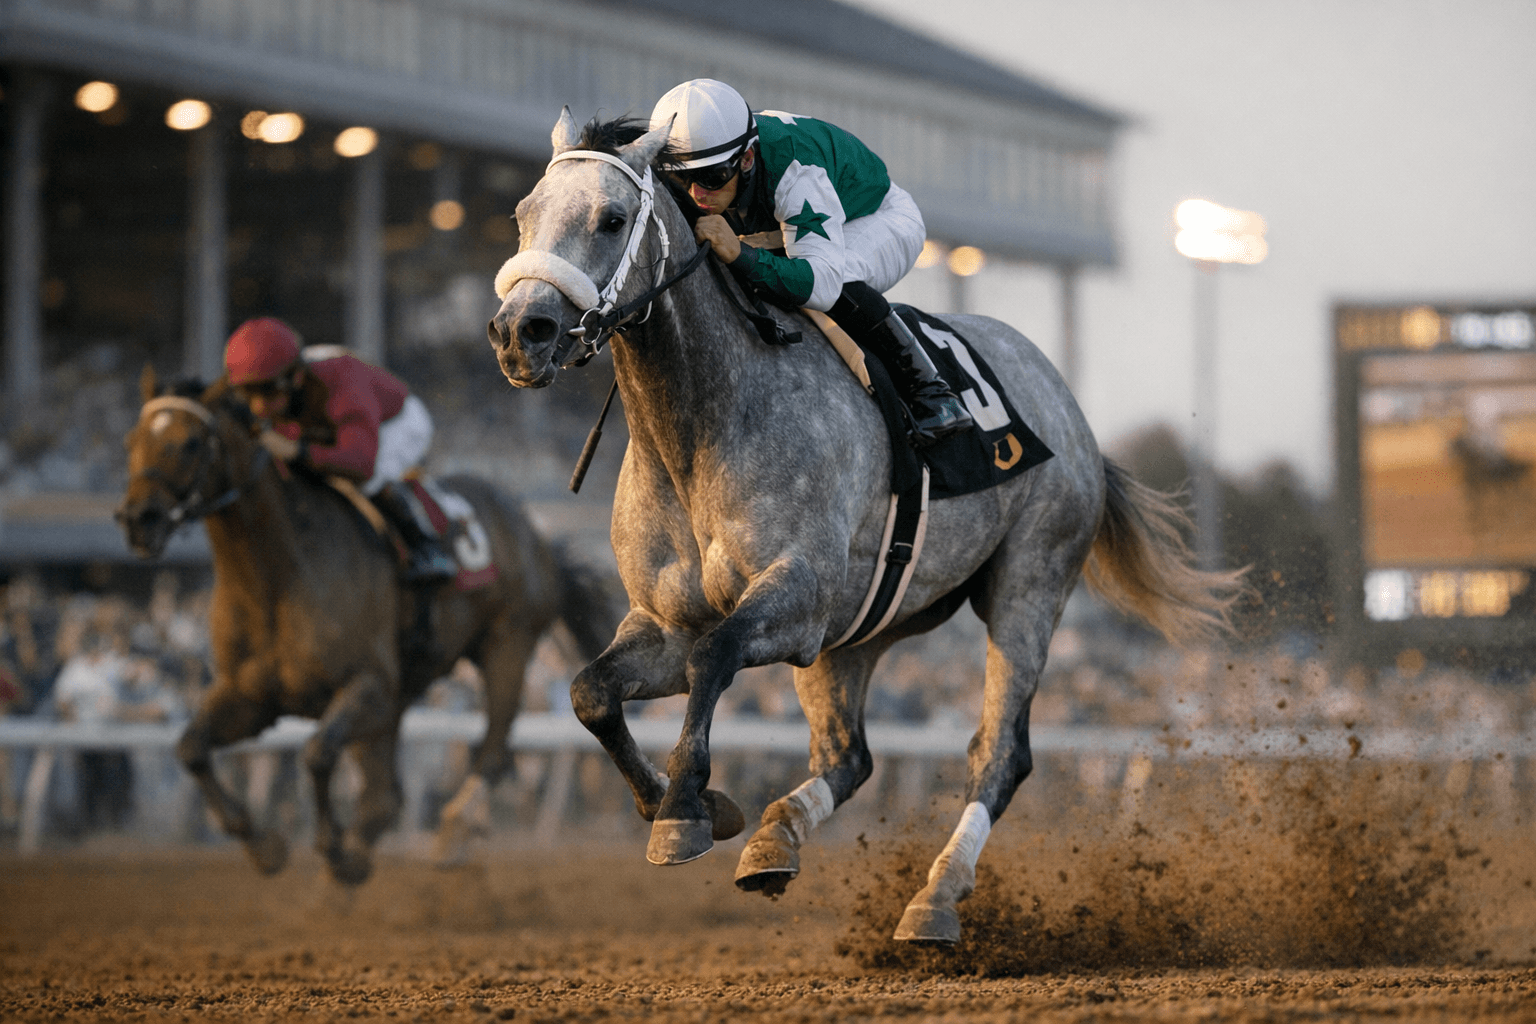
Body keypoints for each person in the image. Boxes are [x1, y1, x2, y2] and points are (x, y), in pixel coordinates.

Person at [650, 78, 974, 446]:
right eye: (681, 178)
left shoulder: (795, 171)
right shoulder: (711, 157)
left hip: (877, 219)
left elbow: (821, 284)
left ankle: (932, 393)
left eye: (712, 177)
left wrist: (742, 255)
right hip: (778, 228)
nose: (697, 193)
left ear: (747, 158)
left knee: (837, 276)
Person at [222, 317, 457, 582]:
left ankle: (425, 546)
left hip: (396, 422)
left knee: (370, 479)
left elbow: (361, 464)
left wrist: (298, 452)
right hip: (332, 428)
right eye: (247, 393)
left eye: (267, 391)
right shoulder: (280, 376)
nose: (257, 407)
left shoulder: (342, 382)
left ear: (296, 377)